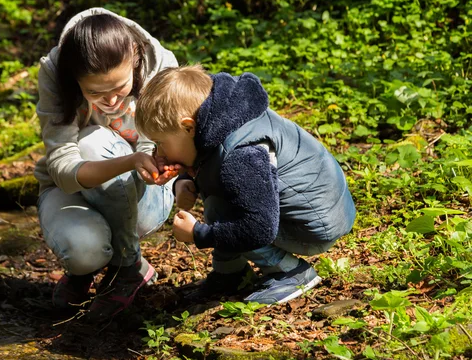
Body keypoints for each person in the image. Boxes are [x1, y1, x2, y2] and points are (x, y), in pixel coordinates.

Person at [135, 65, 356, 304]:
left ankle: (292, 272)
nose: (159, 152)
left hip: (313, 225)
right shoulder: (221, 119)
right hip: (307, 211)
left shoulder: (243, 154)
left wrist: (199, 234)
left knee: (220, 209)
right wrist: (187, 180)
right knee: (220, 203)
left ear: (188, 126)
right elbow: (210, 159)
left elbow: (258, 227)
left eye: (161, 143)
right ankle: (231, 274)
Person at [33, 7, 179, 322]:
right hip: (76, 188)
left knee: (94, 144)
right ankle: (90, 268)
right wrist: (129, 159)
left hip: (144, 198)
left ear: (136, 60)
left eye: (119, 88)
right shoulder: (54, 73)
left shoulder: (161, 65)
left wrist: (153, 162)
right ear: (74, 80)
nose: (111, 102)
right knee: (83, 251)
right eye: (95, 92)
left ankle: (128, 267)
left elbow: (160, 139)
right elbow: (62, 166)